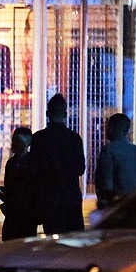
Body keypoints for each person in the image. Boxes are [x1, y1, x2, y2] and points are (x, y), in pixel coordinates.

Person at [30, 93, 86, 234]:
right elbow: (80, 168)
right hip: (71, 196)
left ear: (47, 113)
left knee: (54, 242)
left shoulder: (39, 138)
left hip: (50, 198)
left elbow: (34, 170)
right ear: (65, 114)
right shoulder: (74, 139)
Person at [94, 113, 136, 209]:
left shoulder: (109, 151)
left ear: (112, 128)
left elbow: (106, 185)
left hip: (119, 209)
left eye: (108, 126)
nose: (106, 130)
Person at [0, 127, 38, 241]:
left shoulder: (32, 163)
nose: (14, 144)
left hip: (25, 213)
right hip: (14, 212)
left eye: (17, 141)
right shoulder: (12, 162)